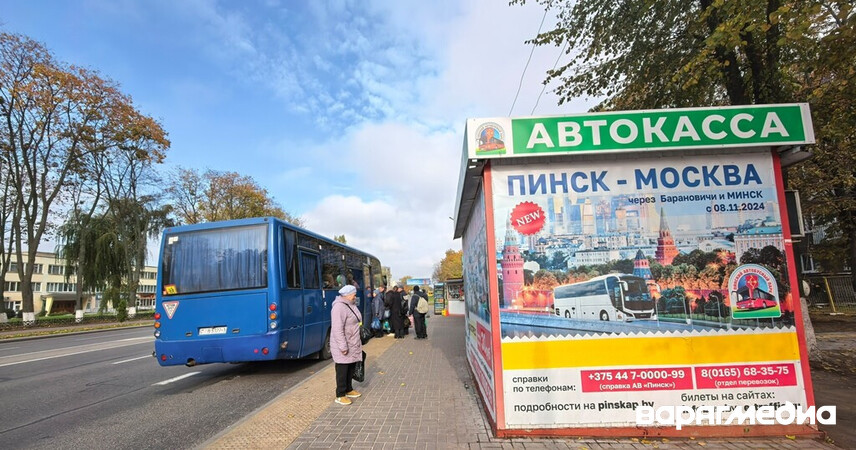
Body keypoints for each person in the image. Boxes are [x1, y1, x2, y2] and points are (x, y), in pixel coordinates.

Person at [330, 284, 363, 405]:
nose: (355, 296)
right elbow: (337, 329)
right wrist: (343, 346)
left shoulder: (351, 304)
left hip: (353, 341)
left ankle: (348, 389)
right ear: (348, 295)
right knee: (342, 369)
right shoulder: (339, 307)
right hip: (344, 343)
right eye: (354, 294)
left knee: (350, 367)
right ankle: (340, 394)